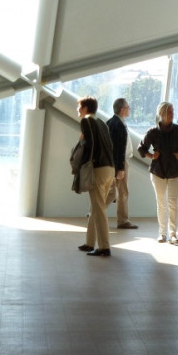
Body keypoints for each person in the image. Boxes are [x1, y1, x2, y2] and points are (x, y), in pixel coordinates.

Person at [138, 102, 178, 245]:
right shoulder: (152, 132)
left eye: (172, 111)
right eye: (169, 111)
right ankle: (162, 233)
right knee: (161, 203)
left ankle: (173, 234)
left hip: (176, 171)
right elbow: (141, 148)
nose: (172, 114)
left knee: (173, 203)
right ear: (161, 114)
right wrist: (151, 156)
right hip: (158, 171)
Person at [76, 96, 116, 256]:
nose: (78, 109)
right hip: (109, 168)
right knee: (95, 207)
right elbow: (110, 146)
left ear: (85, 108)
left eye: (79, 106)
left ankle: (104, 247)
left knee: (98, 209)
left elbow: (90, 145)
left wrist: (84, 163)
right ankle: (89, 242)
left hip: (98, 168)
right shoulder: (102, 123)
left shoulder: (86, 120)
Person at [106, 97, 139, 229]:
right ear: (122, 109)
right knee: (122, 191)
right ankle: (123, 220)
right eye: (128, 107)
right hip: (120, 161)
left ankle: (95, 211)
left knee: (112, 191)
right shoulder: (119, 124)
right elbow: (118, 148)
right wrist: (120, 168)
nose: (129, 109)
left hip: (114, 162)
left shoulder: (111, 122)